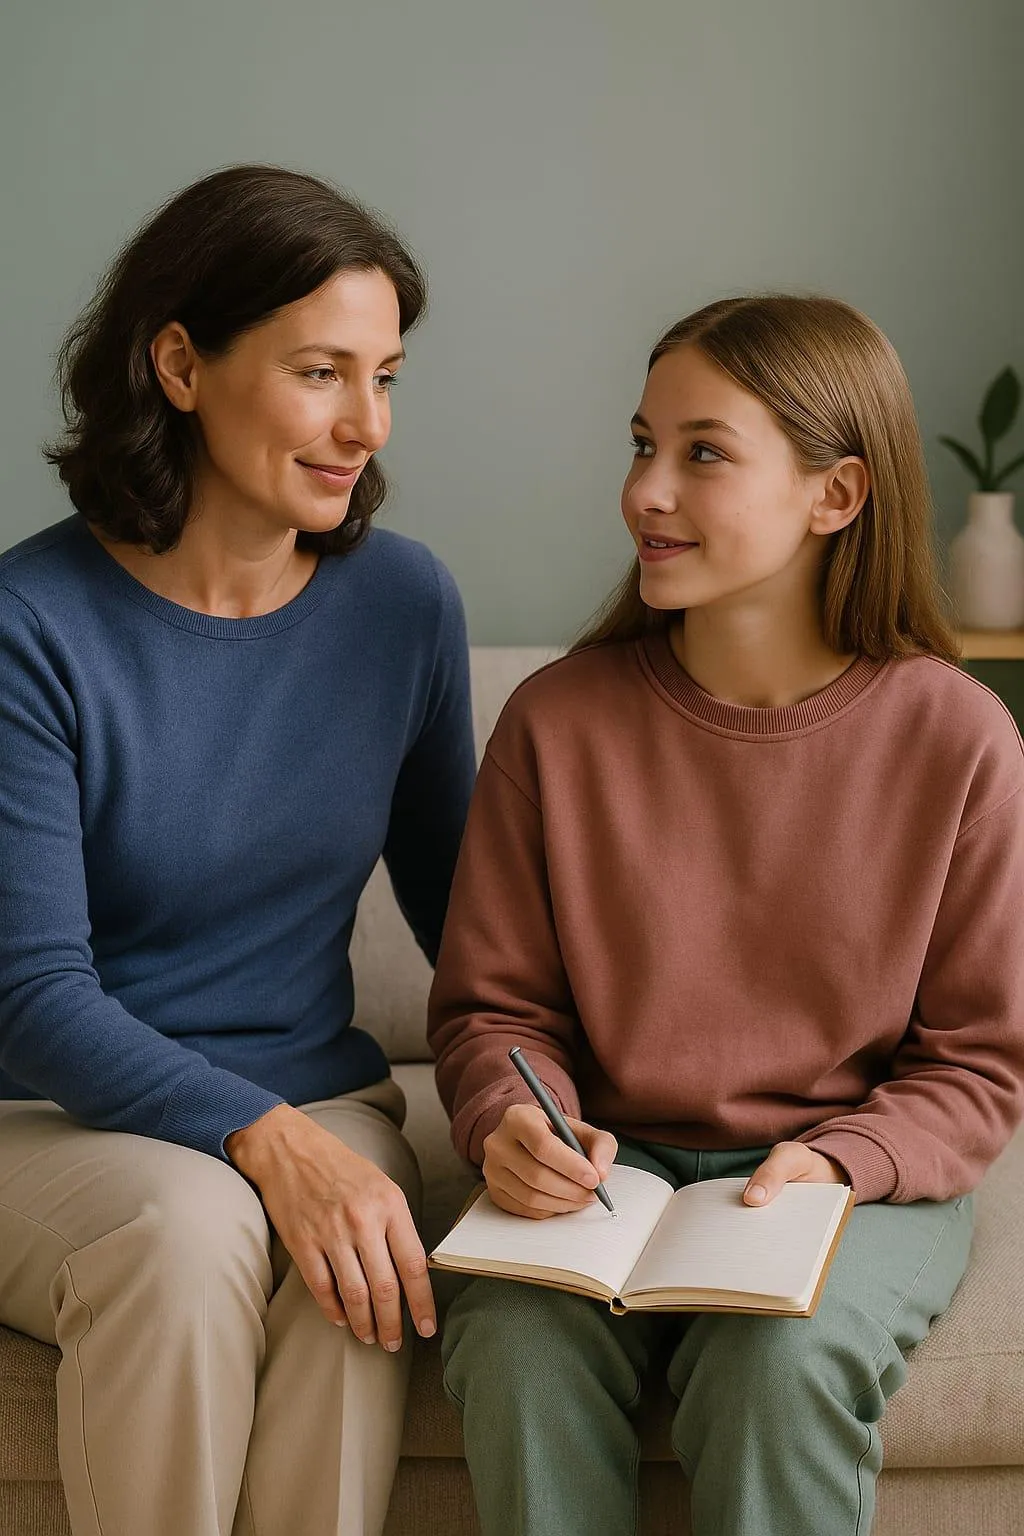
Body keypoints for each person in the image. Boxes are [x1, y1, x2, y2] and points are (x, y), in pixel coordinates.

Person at [428, 294, 1024, 1536]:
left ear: (836, 495)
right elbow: (495, 1010)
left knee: (778, 1369)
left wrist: (841, 1162)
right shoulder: (555, 722)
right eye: (642, 444)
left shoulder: (958, 737)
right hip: (608, 1173)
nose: (647, 489)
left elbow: (976, 1062)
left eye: (701, 451)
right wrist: (509, 1120)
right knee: (517, 1348)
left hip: (845, 1179)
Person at [0, 164, 476, 1536]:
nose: (363, 426)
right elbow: (34, 997)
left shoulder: (402, 605)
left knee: (362, 1246)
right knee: (191, 1226)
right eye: (322, 372)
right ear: (181, 365)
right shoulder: (33, 625)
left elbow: (473, 921)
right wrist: (260, 1139)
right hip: (57, 1124)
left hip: (319, 1109)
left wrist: (597, 1088)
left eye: (384, 377)